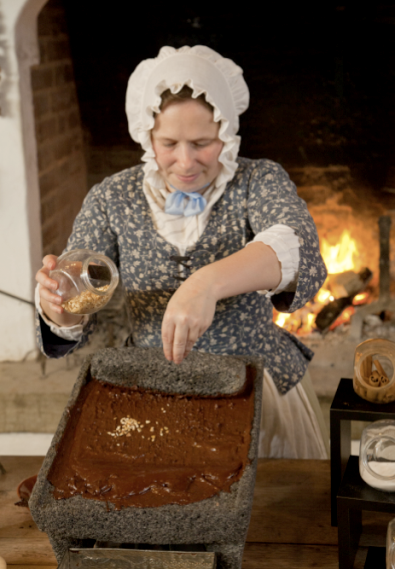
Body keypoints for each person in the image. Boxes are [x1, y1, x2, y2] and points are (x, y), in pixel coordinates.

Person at [35, 45, 328, 459]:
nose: (186, 161)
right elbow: (79, 288)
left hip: (257, 387)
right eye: (169, 142)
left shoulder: (258, 180)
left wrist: (205, 283)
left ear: (226, 133)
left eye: (203, 142)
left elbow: (298, 248)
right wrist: (58, 303)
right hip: (153, 390)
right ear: (146, 135)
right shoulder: (111, 197)